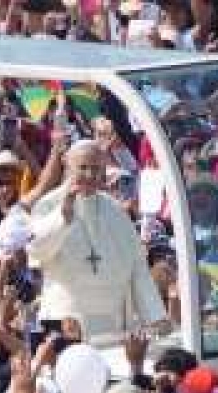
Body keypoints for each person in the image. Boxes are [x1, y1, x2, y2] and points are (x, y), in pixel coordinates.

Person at [27, 140, 168, 337]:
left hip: (114, 319)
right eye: (83, 168)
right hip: (68, 317)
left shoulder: (115, 209)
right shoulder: (48, 204)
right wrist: (62, 218)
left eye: (96, 168)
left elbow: (136, 264)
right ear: (67, 165)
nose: (91, 175)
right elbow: (36, 251)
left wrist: (154, 315)